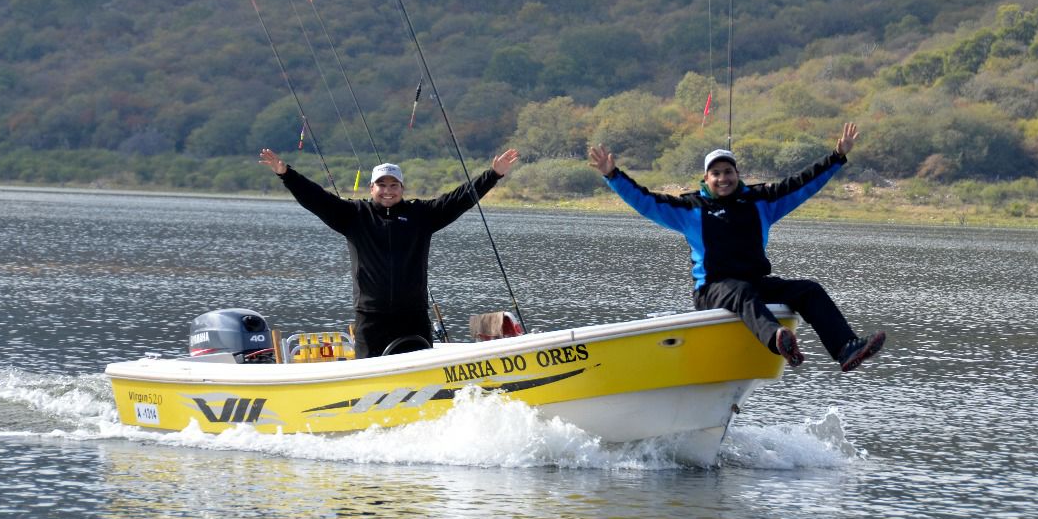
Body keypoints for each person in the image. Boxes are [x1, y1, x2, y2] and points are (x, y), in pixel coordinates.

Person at [587, 123, 884, 371]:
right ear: (706, 179)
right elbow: (645, 200)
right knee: (741, 292)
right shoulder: (690, 209)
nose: (723, 178)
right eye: (716, 174)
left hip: (755, 285)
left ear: (737, 174)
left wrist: (836, 157)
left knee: (809, 290)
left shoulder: (761, 202)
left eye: (728, 171)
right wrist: (613, 175)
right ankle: (777, 339)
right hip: (712, 290)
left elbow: (801, 184)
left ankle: (844, 348)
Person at [259, 147, 520, 358]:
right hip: (371, 318)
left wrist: (493, 175)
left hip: (413, 316)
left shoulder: (422, 215)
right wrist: (286, 174)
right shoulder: (353, 216)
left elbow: (459, 199)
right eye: (381, 185)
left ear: (402, 189)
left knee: (421, 375)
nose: (387, 191)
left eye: (394, 185)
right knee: (368, 378)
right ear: (371, 188)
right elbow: (316, 198)